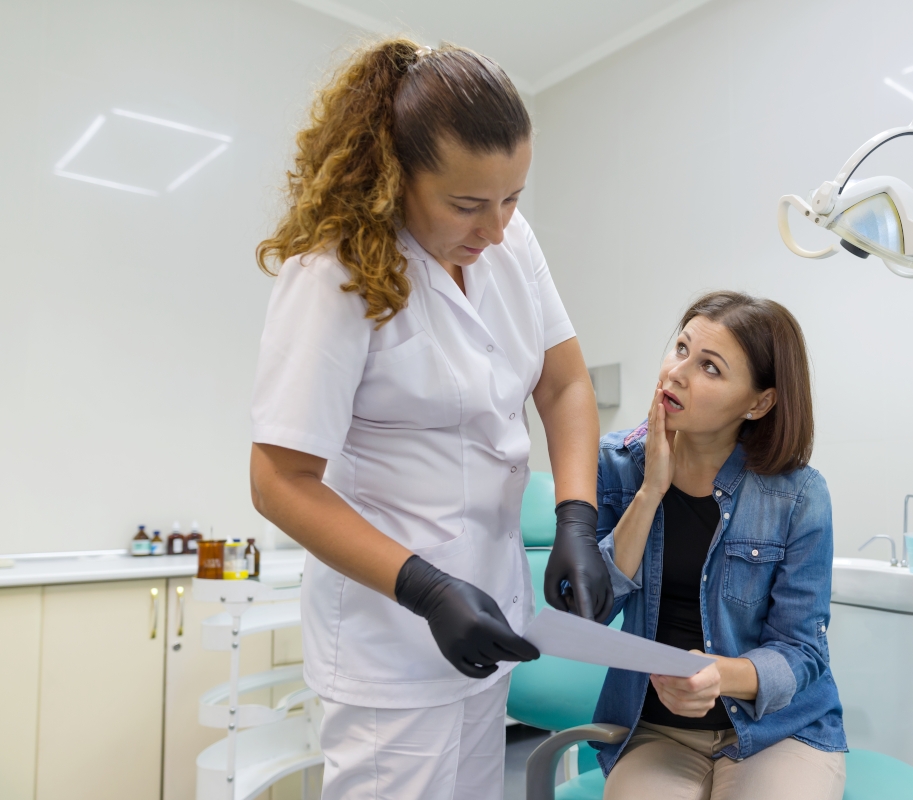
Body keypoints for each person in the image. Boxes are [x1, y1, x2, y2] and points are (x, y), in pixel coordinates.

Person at [248, 39, 612, 800]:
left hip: (491, 622)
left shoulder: (509, 243)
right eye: (468, 205)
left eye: (513, 197)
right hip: (393, 646)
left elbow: (566, 382)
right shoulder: (335, 271)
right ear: (396, 175)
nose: (498, 229)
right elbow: (281, 480)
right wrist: (425, 590)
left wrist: (577, 514)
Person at [591, 291, 847, 799]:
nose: (677, 373)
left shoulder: (798, 495)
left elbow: (802, 650)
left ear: (759, 402)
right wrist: (650, 492)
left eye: (710, 367)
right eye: (681, 349)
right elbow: (591, 611)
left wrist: (717, 677)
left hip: (779, 729)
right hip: (657, 731)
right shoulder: (618, 464)